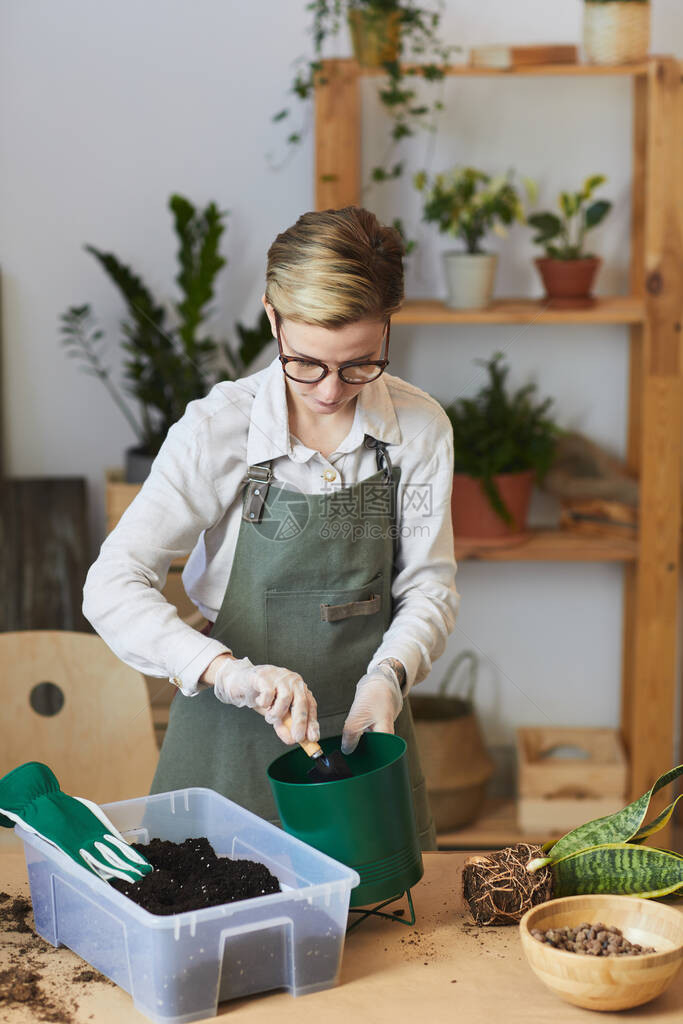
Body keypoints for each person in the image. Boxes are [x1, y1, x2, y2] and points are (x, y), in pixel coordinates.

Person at [83, 206, 459, 850]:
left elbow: (429, 588)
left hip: (367, 738)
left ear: (388, 331)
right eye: (306, 362)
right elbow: (112, 586)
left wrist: (387, 680)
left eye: (359, 364)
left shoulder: (418, 429)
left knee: (386, 935)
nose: (331, 391)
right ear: (271, 316)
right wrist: (226, 672)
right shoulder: (217, 430)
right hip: (228, 746)